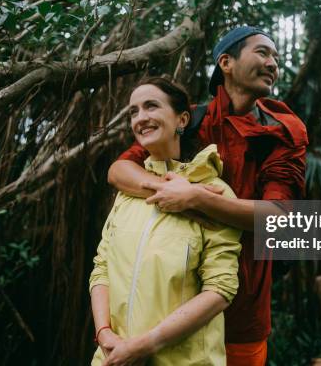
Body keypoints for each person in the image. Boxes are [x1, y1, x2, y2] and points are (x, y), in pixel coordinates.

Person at [108, 26, 309, 366]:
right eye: (262, 52)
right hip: (172, 305)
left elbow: (280, 216)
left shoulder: (282, 132)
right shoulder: (192, 120)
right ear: (226, 62)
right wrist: (168, 189)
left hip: (241, 306)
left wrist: (196, 199)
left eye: (275, 56)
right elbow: (119, 170)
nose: (273, 63)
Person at [89, 77, 242, 366]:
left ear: (182, 119)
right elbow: (102, 269)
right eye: (133, 111)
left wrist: (144, 346)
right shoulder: (128, 192)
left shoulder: (214, 192)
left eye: (151, 106)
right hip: (112, 357)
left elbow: (220, 290)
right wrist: (105, 333)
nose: (140, 118)